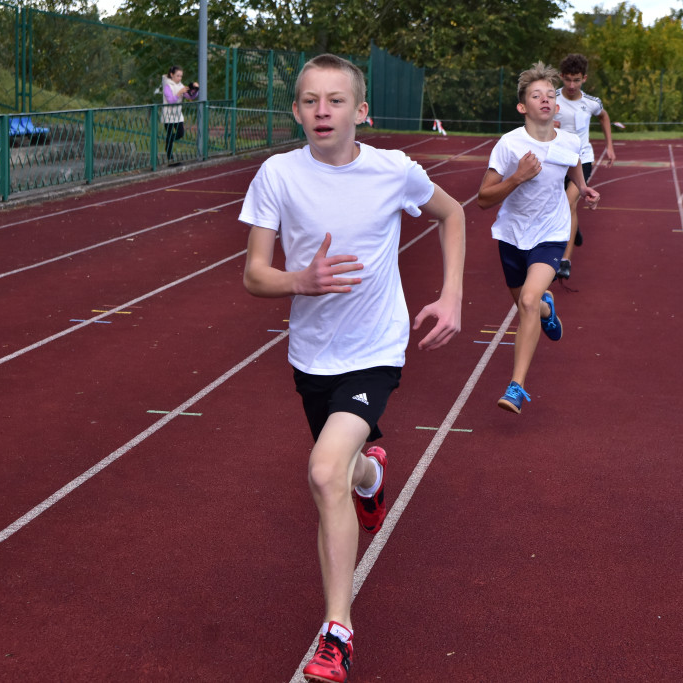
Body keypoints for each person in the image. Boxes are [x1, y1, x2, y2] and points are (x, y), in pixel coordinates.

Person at [240, 54, 465, 683]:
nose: (321, 111)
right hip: (311, 355)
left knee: (320, 471)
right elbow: (256, 274)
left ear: (360, 111)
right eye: (310, 100)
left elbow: (453, 213)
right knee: (343, 471)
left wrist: (451, 296)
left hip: (375, 348)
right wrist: (300, 281)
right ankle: (372, 475)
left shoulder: (392, 170)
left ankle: (336, 632)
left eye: (335, 100)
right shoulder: (277, 175)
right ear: (295, 110)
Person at [477, 61, 600, 414]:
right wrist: (517, 177)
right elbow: (484, 199)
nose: (545, 100)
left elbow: (573, 163)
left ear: (556, 105)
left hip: (551, 233)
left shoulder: (569, 140)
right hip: (512, 236)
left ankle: (516, 387)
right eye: (536, 95)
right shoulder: (509, 145)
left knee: (528, 302)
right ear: (523, 106)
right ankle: (548, 308)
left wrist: (584, 187)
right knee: (528, 305)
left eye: (550, 95)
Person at [552, 53, 615, 280]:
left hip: (581, 160)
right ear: (561, 77)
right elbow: (535, 120)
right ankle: (574, 230)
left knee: (569, 203)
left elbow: (604, 117)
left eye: (576, 80)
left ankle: (565, 261)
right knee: (560, 206)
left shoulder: (591, 103)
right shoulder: (552, 98)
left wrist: (609, 146)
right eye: (567, 79)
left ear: (584, 78)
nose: (571, 85)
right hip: (556, 159)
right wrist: (549, 122)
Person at [160, 66, 197, 164]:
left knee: (180, 133)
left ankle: (168, 141)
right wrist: (179, 93)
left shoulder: (180, 85)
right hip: (168, 115)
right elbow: (171, 101)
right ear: (171, 75)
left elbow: (190, 96)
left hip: (178, 115)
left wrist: (195, 89)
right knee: (169, 134)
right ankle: (170, 157)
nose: (179, 78)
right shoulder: (167, 85)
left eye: (181, 76)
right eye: (177, 76)